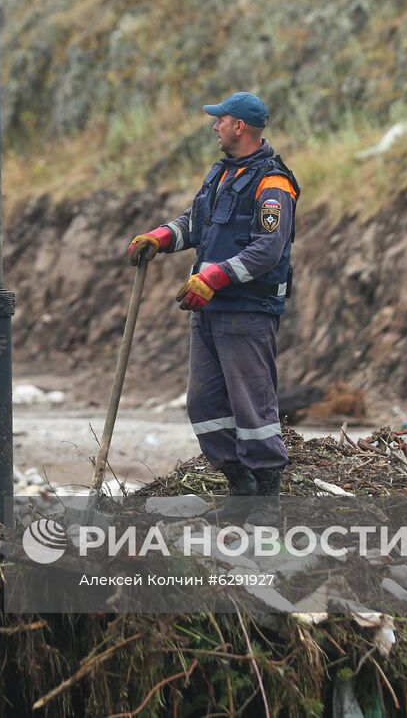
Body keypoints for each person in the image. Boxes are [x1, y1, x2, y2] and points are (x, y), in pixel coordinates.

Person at [127, 92, 299, 510]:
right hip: (207, 309)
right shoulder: (221, 174)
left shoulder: (273, 183)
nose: (213, 126)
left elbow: (268, 249)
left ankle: (266, 501)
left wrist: (214, 277)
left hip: (246, 311)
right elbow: (196, 222)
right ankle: (240, 487)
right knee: (204, 404)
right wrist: (162, 237)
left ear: (239, 126)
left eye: (219, 120)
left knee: (252, 406)